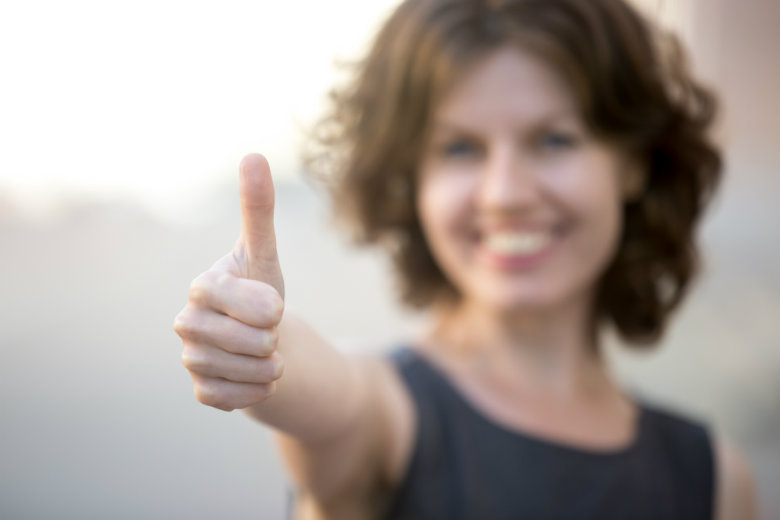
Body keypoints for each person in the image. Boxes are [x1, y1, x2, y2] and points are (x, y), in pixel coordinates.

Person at [173, 0, 757, 518]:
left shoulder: (717, 482)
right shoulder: (387, 414)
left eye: (553, 140)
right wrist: (266, 348)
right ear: (413, 183)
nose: (504, 193)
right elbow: (332, 401)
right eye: (459, 148)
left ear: (632, 163)